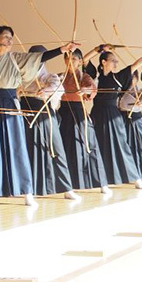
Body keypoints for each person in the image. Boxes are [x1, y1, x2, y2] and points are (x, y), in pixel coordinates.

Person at [0, 27, 78, 206]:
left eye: (11, 38)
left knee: (16, 147)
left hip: (10, 103)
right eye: (6, 37)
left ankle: (26, 191)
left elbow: (39, 58)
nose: (9, 41)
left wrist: (62, 49)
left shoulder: (16, 58)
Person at [86, 46, 142, 189]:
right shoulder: (96, 75)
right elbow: (85, 59)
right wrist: (98, 49)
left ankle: (135, 178)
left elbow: (137, 64)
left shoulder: (118, 77)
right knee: (98, 146)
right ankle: (101, 181)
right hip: (97, 113)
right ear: (104, 62)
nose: (116, 64)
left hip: (113, 114)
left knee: (121, 146)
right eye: (113, 61)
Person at [19, 45, 78, 200]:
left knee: (56, 150)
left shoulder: (50, 76)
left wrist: (47, 90)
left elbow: (58, 88)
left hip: (45, 115)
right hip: (26, 115)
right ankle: (26, 189)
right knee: (26, 150)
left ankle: (67, 188)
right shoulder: (23, 76)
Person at [59, 48, 110, 195]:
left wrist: (86, 90)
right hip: (64, 113)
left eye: (74, 59)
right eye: (67, 59)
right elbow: (52, 86)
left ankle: (101, 183)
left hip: (79, 113)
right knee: (66, 148)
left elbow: (92, 88)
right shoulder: (61, 77)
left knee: (89, 147)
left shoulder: (84, 76)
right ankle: (68, 183)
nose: (70, 61)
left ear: (80, 61)